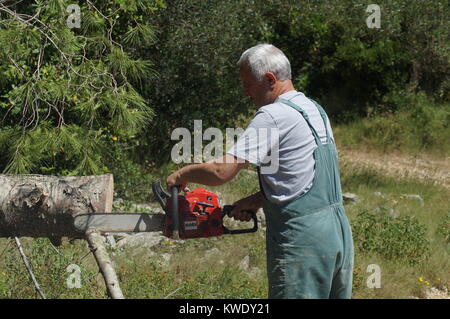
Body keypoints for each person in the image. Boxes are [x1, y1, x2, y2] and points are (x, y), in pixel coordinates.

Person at [166, 44, 354, 299]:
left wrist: (181, 175)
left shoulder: (273, 115)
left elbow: (222, 172)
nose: (245, 92)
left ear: (269, 80)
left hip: (302, 241)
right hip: (338, 236)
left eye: (247, 84)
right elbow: (303, 179)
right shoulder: (314, 110)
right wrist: (257, 201)